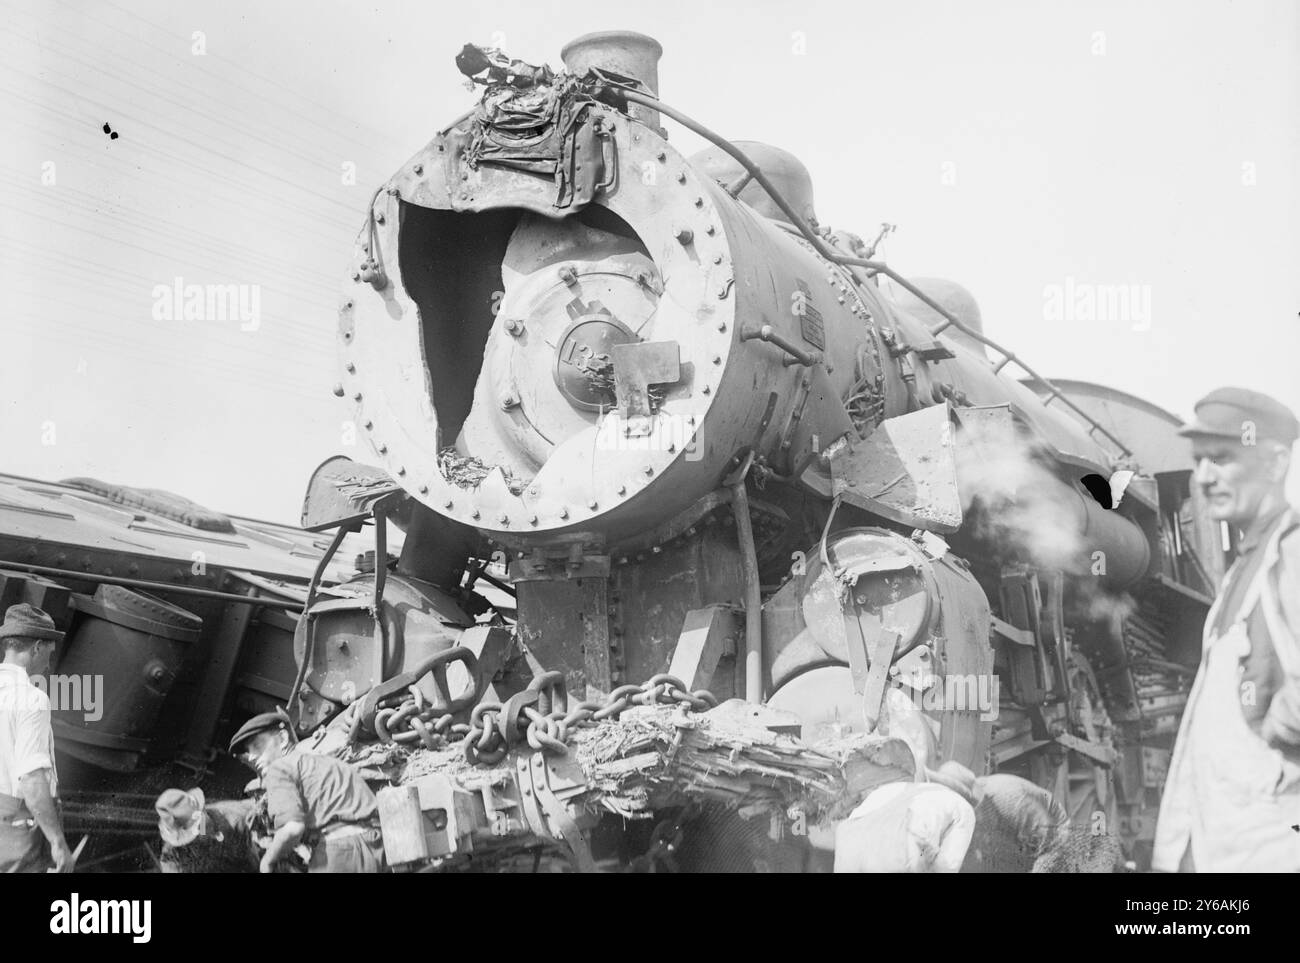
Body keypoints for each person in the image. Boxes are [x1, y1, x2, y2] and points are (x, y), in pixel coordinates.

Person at [1153, 387, 1300, 872]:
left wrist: (1279, 727)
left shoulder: (1292, 555)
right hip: (1227, 842)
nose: (1204, 477)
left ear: (1276, 462)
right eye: (1198, 461)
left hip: (1273, 841)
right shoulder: (1242, 570)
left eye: (1222, 459)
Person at [228, 708, 385, 873]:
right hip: (377, 847)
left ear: (282, 738)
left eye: (257, 746)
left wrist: (267, 861)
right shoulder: (332, 763)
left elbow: (293, 828)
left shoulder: (279, 768)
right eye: (249, 751)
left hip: (339, 856)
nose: (252, 757)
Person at [0, 603, 74, 873]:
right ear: (37, 648)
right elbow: (31, 779)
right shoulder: (32, 699)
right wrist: (57, 841)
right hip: (15, 829)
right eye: (49, 654)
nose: (48, 663)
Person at [154, 787, 261, 873]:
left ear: (203, 810)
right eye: (190, 838)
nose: (200, 835)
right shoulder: (172, 855)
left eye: (200, 827)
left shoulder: (239, 819)